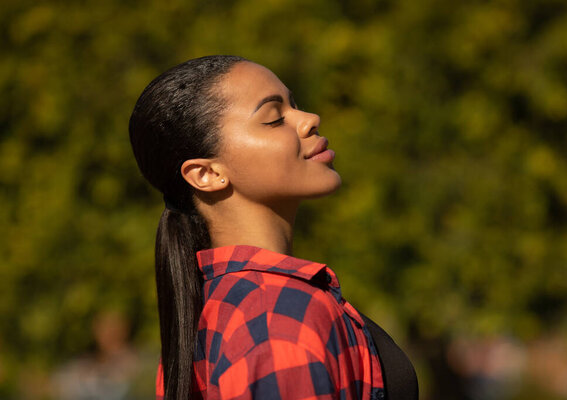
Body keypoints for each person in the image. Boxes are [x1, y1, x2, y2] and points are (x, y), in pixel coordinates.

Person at [129, 55, 418, 400]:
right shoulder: (274, 315)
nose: (310, 119)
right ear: (207, 174)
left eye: (294, 105)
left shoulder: (215, 308)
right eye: (274, 118)